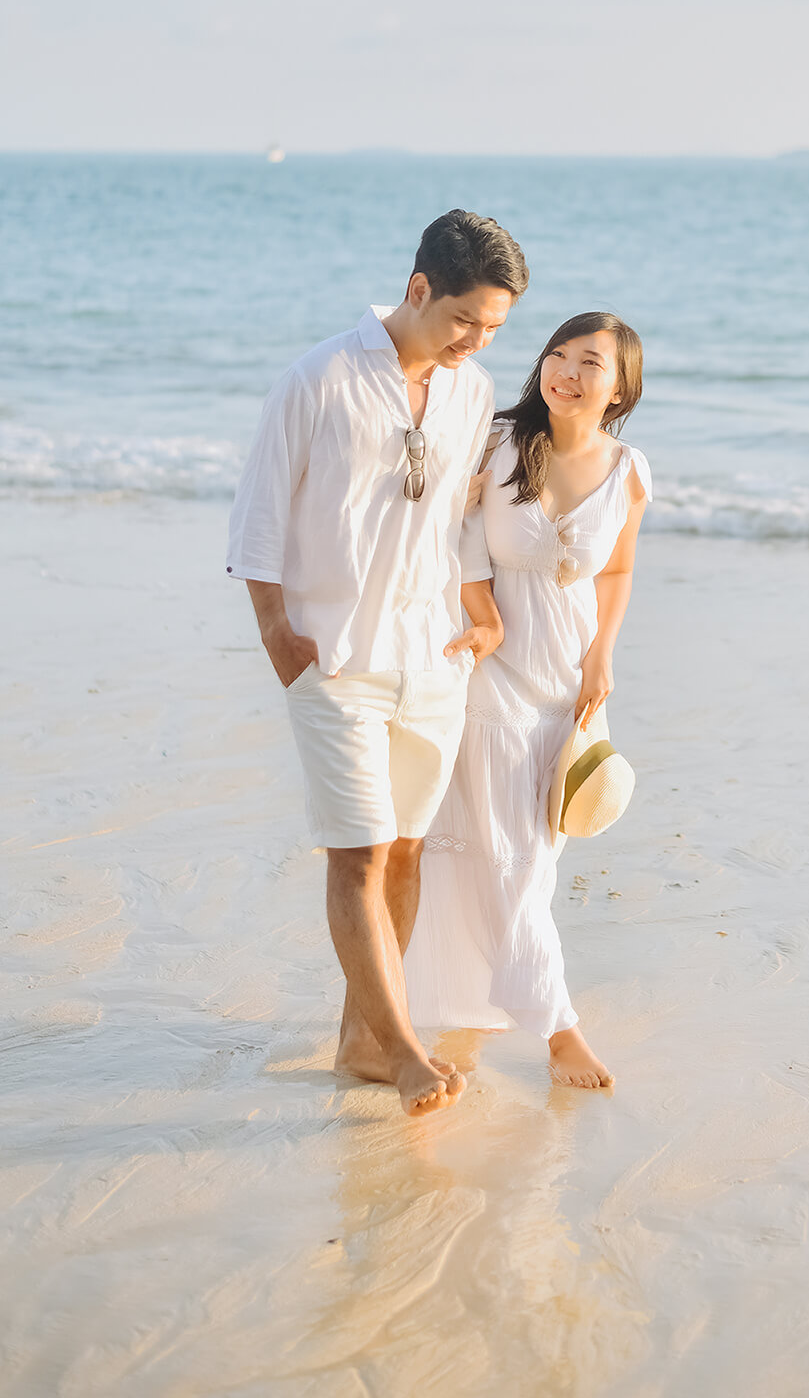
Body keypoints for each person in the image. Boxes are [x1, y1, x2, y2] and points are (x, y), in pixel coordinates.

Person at [226, 209, 528, 1115]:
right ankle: (401, 1052)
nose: (476, 341)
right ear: (418, 287)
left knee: (402, 854)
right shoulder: (318, 378)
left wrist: (484, 620)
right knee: (355, 853)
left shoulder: (469, 392)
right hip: (335, 657)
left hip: (431, 657)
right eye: (464, 319)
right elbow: (259, 517)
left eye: (494, 330)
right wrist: (280, 635)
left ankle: (362, 1039)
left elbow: (459, 522)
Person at [403, 313, 650, 1090]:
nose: (566, 372)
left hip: (570, 685)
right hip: (494, 673)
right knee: (509, 858)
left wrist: (604, 657)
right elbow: (457, 531)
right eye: (558, 354)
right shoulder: (500, 441)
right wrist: (481, 617)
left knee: (531, 863)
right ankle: (559, 1030)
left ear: (620, 390)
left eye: (590, 363)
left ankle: (474, 1007)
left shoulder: (629, 470)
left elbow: (615, 572)